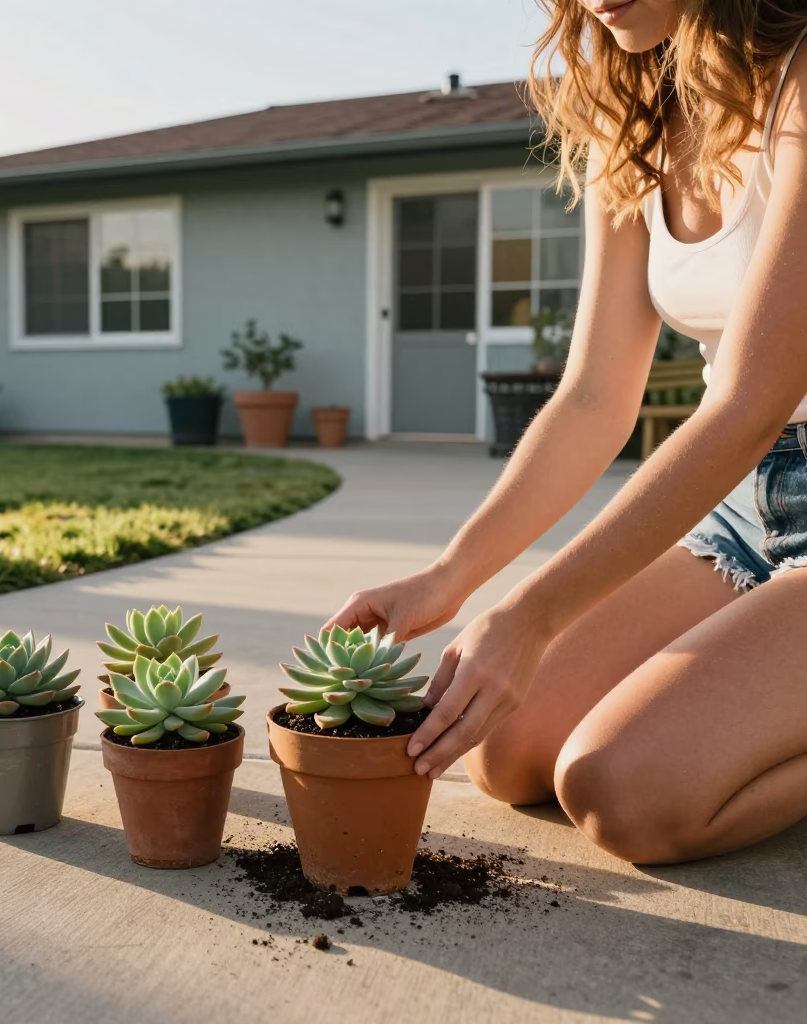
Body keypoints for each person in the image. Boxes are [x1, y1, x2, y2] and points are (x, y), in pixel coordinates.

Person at [328, 0, 807, 865]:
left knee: (626, 793)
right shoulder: (632, 114)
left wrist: (531, 614)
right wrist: (450, 578)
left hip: (751, 441)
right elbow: (593, 397)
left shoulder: (800, 78)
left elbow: (747, 405)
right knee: (506, 750)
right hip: (742, 506)